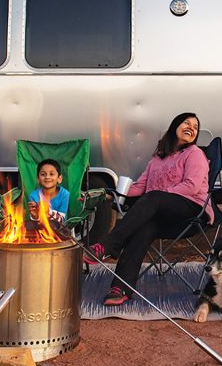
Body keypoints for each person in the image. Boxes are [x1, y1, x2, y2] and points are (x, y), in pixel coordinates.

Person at [85, 112, 212, 306]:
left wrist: (161, 195)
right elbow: (140, 186)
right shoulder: (157, 159)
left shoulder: (195, 154)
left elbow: (192, 186)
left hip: (192, 209)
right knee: (143, 228)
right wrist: (114, 193)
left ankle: (109, 245)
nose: (192, 128)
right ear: (175, 126)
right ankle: (121, 288)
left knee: (153, 197)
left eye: (195, 127)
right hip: (162, 212)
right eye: (187, 123)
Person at [28, 158, 70, 224]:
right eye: (43, 174)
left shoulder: (64, 194)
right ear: (38, 179)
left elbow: (61, 220)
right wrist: (35, 216)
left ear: (59, 178)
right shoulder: (34, 195)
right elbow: (34, 223)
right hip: (40, 230)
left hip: (60, 230)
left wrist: (48, 211)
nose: (47, 177)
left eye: (51, 174)